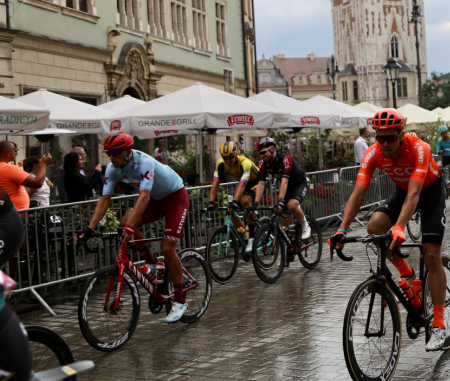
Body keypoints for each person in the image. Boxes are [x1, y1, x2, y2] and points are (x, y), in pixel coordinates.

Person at [329, 109, 450, 351]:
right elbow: (358, 194)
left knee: (431, 255)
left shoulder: (419, 148)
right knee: (374, 227)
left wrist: (400, 226)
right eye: (379, 138)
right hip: (403, 192)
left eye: (390, 138)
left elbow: (415, 194)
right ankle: (406, 273)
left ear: (401, 135)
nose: (384, 143)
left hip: (430, 193)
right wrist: (341, 229)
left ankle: (438, 322)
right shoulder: (374, 153)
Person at [78, 133, 191, 323]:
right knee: (124, 223)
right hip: (155, 200)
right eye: (108, 153)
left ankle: (179, 300)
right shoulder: (112, 169)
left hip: (175, 199)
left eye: (115, 152)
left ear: (127, 152)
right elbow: (105, 199)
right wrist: (89, 229)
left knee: (167, 248)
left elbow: (144, 196)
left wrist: (131, 227)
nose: (111, 157)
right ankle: (153, 264)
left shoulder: (145, 162)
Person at [252, 137, 312, 242]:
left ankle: (305, 225)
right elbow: (261, 183)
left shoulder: (285, 159)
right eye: (259, 153)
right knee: (283, 216)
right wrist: (255, 203)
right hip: (287, 186)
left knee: (292, 206)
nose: (261, 156)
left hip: (300, 183)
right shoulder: (263, 163)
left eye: (263, 152)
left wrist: (280, 201)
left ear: (272, 149)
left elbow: (284, 181)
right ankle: (287, 246)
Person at [208, 141, 260, 254]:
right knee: (230, 212)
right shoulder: (221, 164)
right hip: (245, 185)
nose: (227, 161)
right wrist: (211, 202)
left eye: (230, 158)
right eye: (225, 158)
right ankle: (245, 236)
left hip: (257, 183)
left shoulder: (245, 162)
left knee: (245, 201)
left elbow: (242, 185)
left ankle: (252, 237)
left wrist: (235, 202)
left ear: (236, 155)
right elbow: (215, 183)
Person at [0, 141, 51, 212]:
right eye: (15, 150)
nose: (16, 153)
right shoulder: (9, 169)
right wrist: (44, 164)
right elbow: (37, 183)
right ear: (8, 152)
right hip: (15, 212)